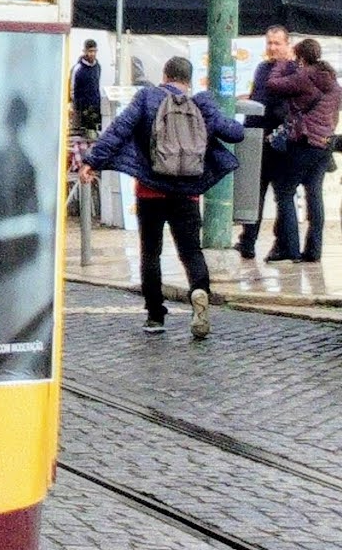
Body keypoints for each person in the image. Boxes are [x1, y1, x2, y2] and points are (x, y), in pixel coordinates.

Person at [84, 56, 244, 340]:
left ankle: (155, 315)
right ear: (189, 80)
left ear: (164, 75)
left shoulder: (147, 98)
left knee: (151, 252)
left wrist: (91, 161)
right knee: (191, 251)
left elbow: (118, 130)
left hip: (150, 191)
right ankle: (199, 293)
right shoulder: (201, 102)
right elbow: (235, 133)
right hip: (188, 193)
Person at [262, 38, 341, 263]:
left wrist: (280, 63)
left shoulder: (305, 77)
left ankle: (291, 250)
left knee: (285, 193)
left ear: (302, 58)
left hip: (303, 144)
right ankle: (314, 251)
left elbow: (273, 85)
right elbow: (334, 115)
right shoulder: (334, 83)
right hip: (324, 145)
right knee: (314, 195)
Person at [235, 24, 293, 261]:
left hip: (277, 140)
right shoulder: (262, 67)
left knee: (282, 195)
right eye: (269, 43)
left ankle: (282, 243)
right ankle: (247, 241)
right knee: (253, 193)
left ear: (287, 44)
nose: (272, 47)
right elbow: (258, 96)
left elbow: (284, 107)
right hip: (254, 137)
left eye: (277, 43)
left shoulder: (292, 70)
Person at [70, 40, 103, 138]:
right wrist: (75, 107)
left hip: (95, 107)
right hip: (81, 108)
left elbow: (97, 85)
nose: (92, 54)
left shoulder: (98, 66)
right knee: (80, 138)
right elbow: (72, 90)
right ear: (84, 51)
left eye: (94, 51)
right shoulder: (77, 68)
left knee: (93, 137)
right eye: (89, 51)